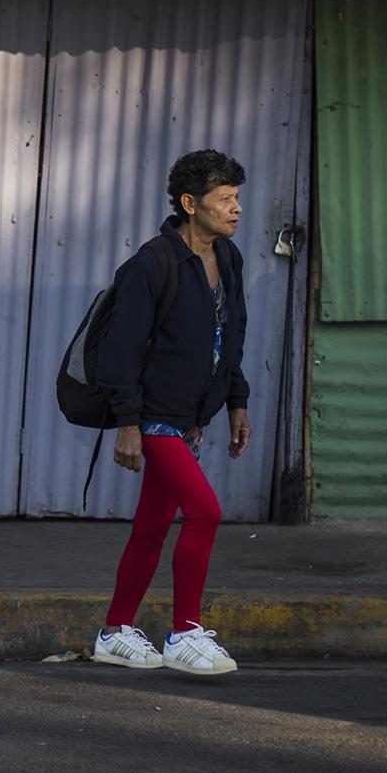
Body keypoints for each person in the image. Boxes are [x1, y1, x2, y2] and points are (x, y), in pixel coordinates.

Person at [91, 150, 251, 676]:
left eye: (236, 197)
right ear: (190, 204)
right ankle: (185, 632)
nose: (236, 208)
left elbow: (232, 339)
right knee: (204, 511)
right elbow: (122, 349)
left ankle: (115, 631)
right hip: (155, 415)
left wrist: (237, 401)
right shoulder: (152, 262)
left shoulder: (227, 258)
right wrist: (128, 422)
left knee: (152, 525)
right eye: (224, 199)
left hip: (192, 417)